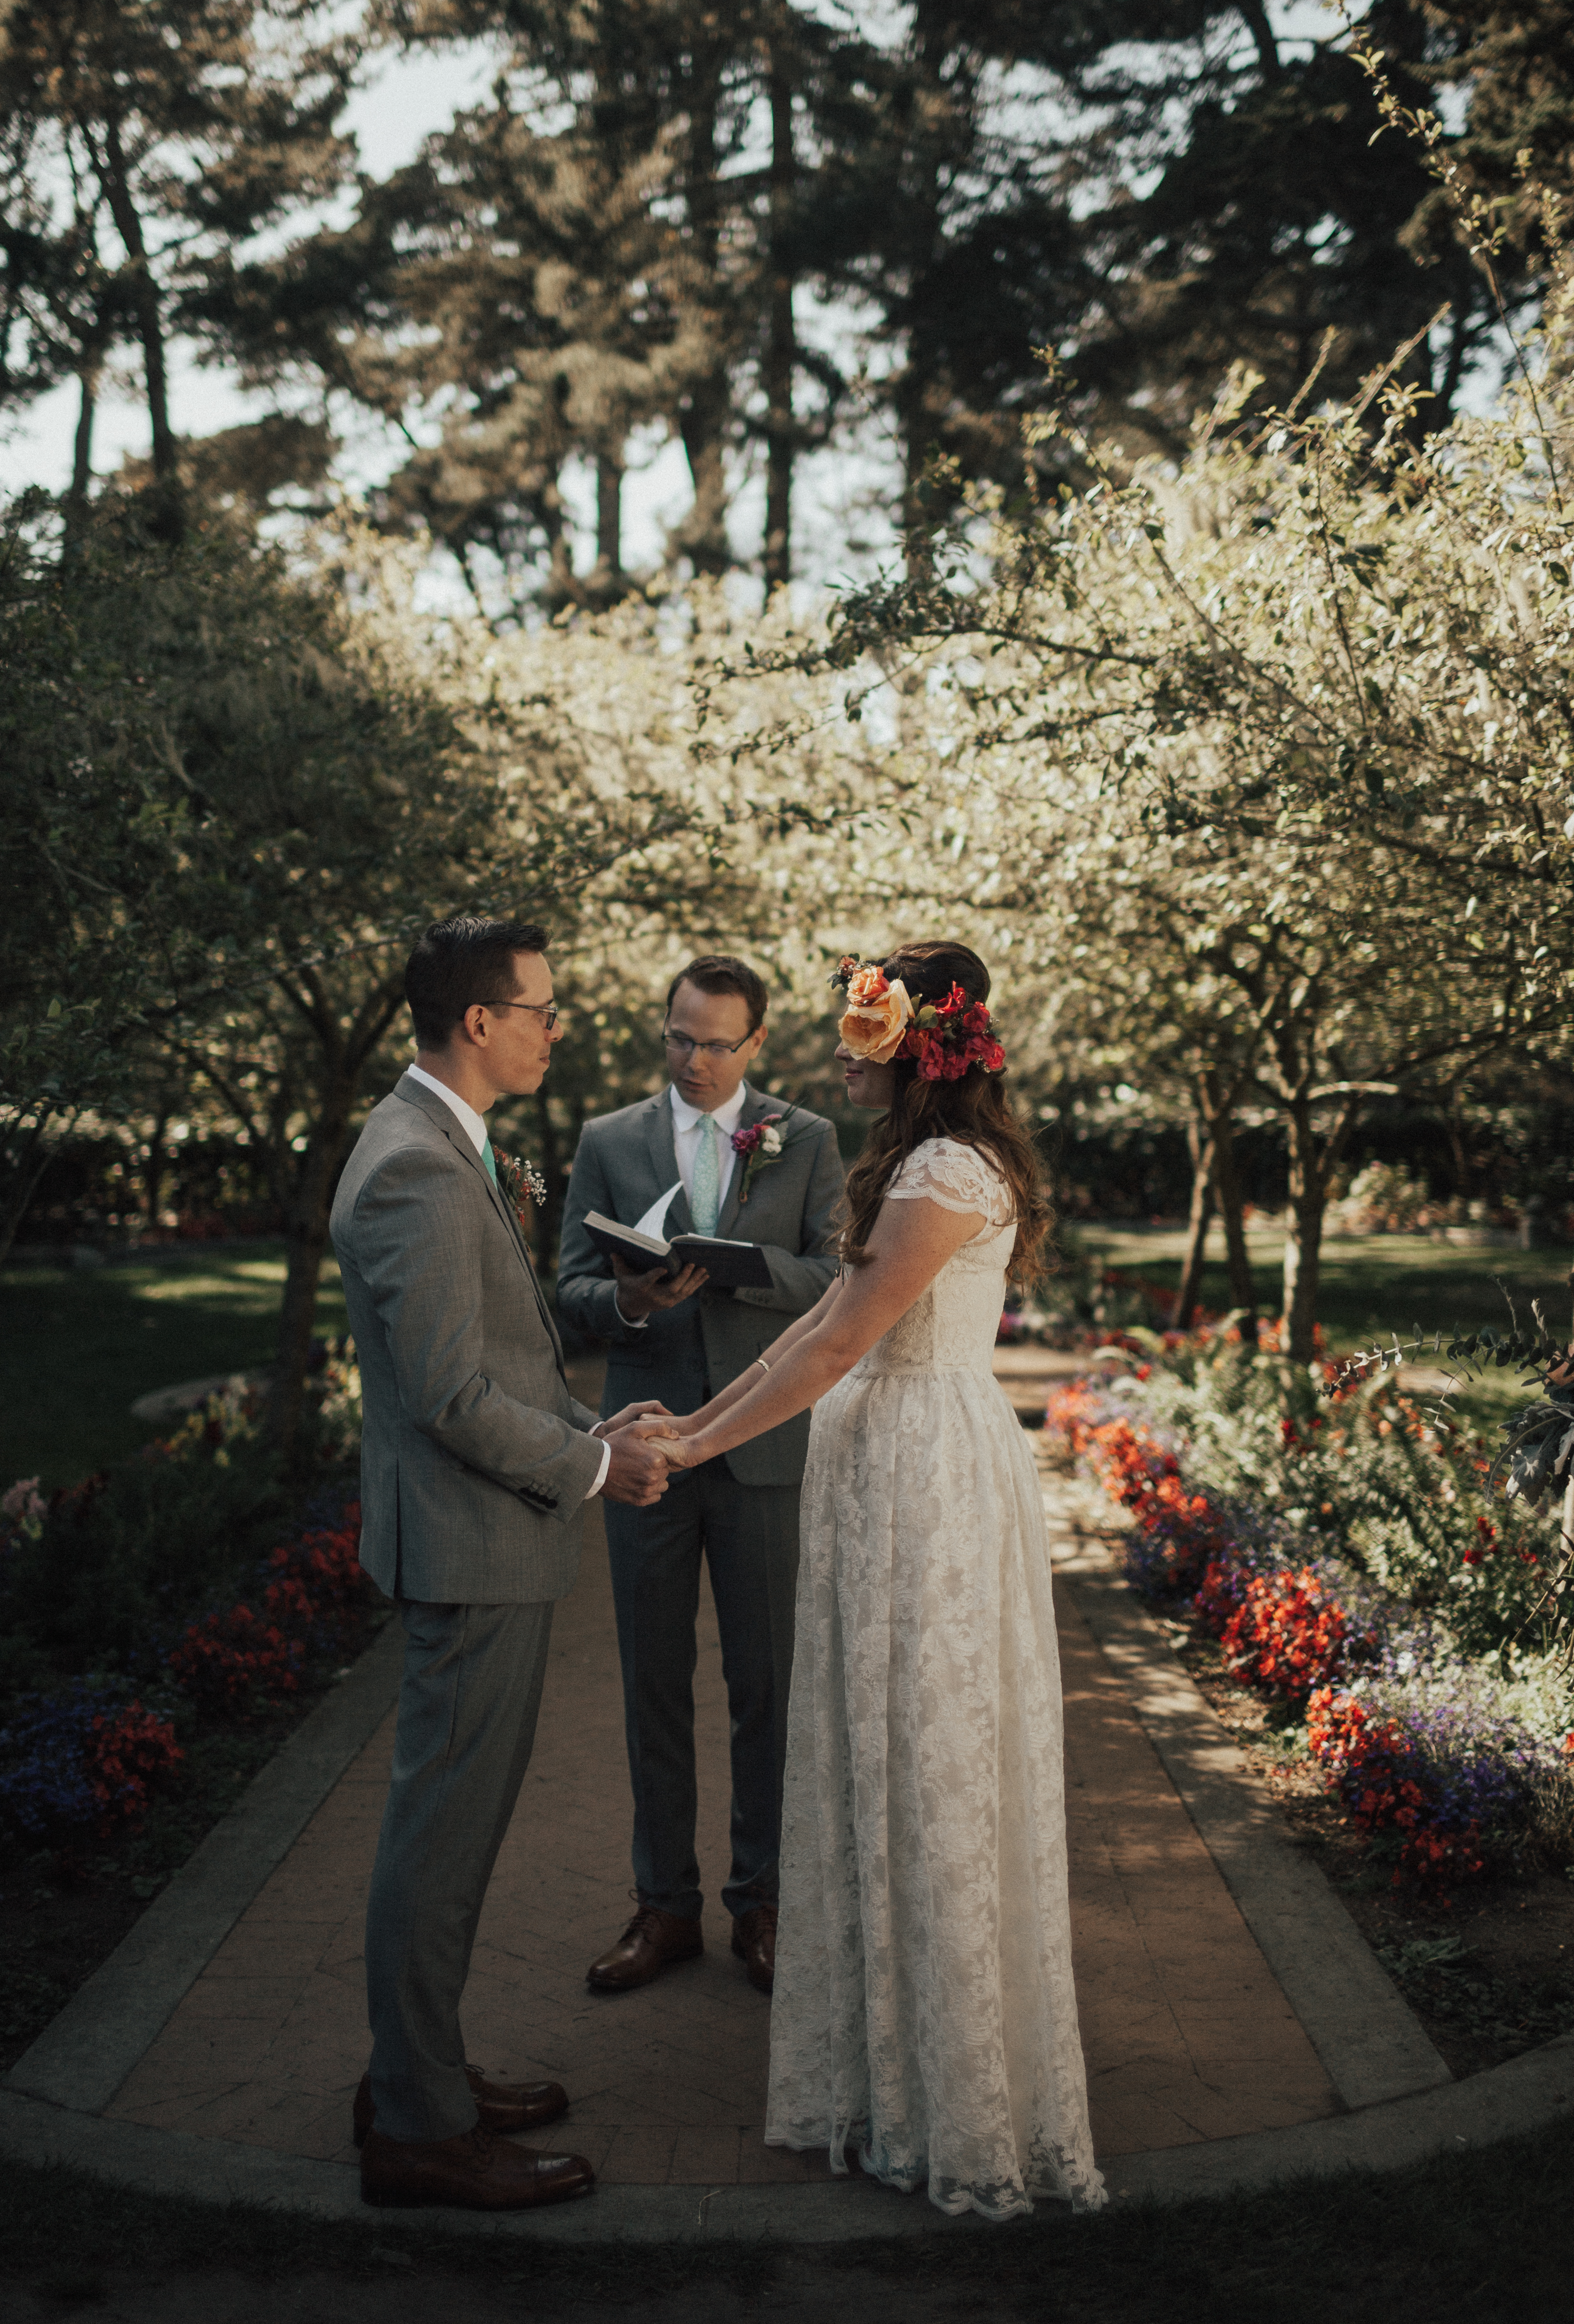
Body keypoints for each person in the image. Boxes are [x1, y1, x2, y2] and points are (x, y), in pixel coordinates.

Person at [660, 941, 1106, 2221]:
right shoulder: (917, 1165)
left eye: (861, 1035)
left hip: (927, 1482)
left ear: (913, 1048)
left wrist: (690, 1443)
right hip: (885, 1467)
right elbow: (812, 1335)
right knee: (876, 1758)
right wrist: (692, 1422)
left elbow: (841, 1339)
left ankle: (952, 2100)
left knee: (931, 1764)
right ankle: (885, 2070)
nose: (842, 1054)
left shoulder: (948, 1171)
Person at [330, 913, 680, 2211]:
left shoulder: (445, 1141)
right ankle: (417, 2127)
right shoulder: (416, 1165)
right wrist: (594, 1467)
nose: (555, 1025)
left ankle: (416, 2074)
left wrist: (596, 1422)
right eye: (540, 1006)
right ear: (479, 1021)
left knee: (451, 1833)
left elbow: (504, 1360)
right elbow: (449, 1395)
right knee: (439, 1840)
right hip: (472, 1553)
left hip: (483, 1541)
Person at [555, 954, 844, 1997]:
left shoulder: (806, 1139)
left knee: (765, 1686)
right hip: (647, 1447)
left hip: (765, 1447)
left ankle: (760, 1904)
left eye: (716, 1043)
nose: (693, 1059)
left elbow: (840, 1276)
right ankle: (661, 1907)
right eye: (679, 1037)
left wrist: (738, 1270)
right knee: (652, 1682)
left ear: (755, 1044)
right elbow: (568, 1284)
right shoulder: (605, 1140)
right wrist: (633, 1301)